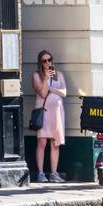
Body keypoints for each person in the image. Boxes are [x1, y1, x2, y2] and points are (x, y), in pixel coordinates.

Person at [32, 50, 67, 183]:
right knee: (42, 141)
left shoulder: (59, 75)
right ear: (40, 63)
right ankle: (40, 172)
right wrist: (46, 78)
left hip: (57, 113)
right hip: (44, 111)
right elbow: (42, 93)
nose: (47, 63)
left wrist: (53, 89)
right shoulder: (37, 76)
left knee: (55, 143)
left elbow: (64, 92)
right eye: (44, 61)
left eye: (49, 60)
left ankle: (54, 173)